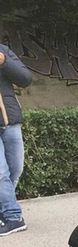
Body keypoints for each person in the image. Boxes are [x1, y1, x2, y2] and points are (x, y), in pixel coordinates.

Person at [0, 43, 33, 236]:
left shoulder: (2, 50)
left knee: (15, 169)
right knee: (1, 173)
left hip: (10, 121)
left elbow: (25, 79)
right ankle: (13, 217)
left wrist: (4, 62)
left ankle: (3, 209)